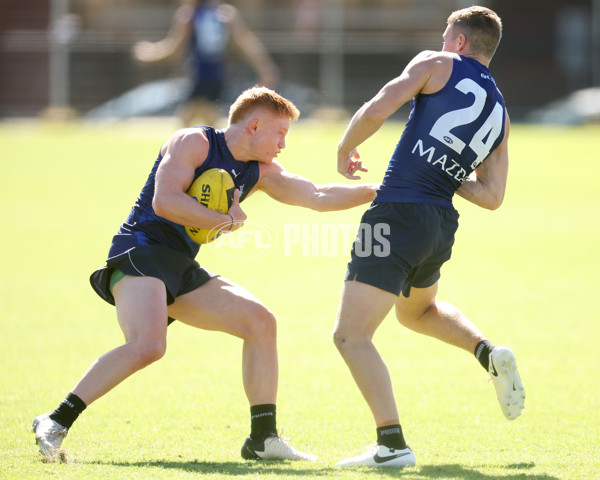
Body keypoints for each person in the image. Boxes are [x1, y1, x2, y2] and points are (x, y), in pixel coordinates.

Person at [32, 86, 377, 461]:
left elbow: (317, 195)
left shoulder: (257, 171)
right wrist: (225, 221)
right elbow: (165, 201)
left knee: (260, 322)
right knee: (148, 345)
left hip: (180, 264)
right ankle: (54, 420)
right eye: (280, 133)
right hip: (142, 249)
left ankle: (263, 438)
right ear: (254, 126)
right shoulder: (193, 142)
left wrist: (383, 189)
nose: (283, 144)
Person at [332, 6, 525, 468]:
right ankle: (487, 352)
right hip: (440, 223)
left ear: (460, 41)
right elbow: (493, 195)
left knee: (350, 336)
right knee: (418, 312)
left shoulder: (436, 63)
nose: (441, 43)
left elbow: (379, 105)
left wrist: (345, 148)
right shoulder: (501, 111)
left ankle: (392, 444)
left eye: (445, 37)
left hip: (397, 213)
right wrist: (448, 172)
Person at [132, 0, 279, 126]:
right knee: (195, 117)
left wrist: (149, 54)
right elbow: (245, 42)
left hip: (200, 74)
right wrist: (265, 67)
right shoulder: (226, 13)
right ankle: (216, 151)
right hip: (218, 75)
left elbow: (173, 49)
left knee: (191, 120)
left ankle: (222, 151)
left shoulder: (188, 15)